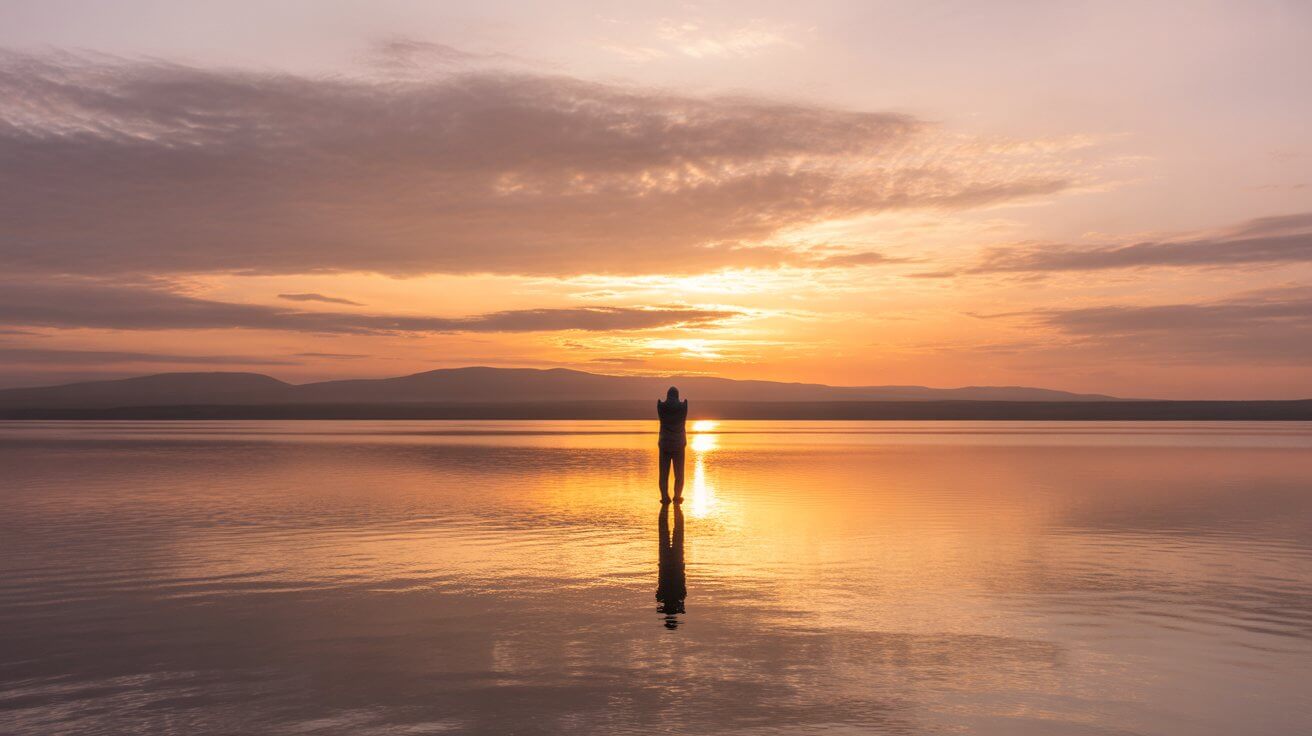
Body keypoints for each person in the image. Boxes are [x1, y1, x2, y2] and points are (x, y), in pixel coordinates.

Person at [656, 386, 687, 503]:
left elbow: (660, 406)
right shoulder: (683, 407)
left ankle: (664, 497)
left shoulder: (661, 406)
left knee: (663, 473)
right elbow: (684, 405)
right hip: (679, 444)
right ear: (677, 395)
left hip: (664, 443)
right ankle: (677, 496)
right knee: (679, 473)